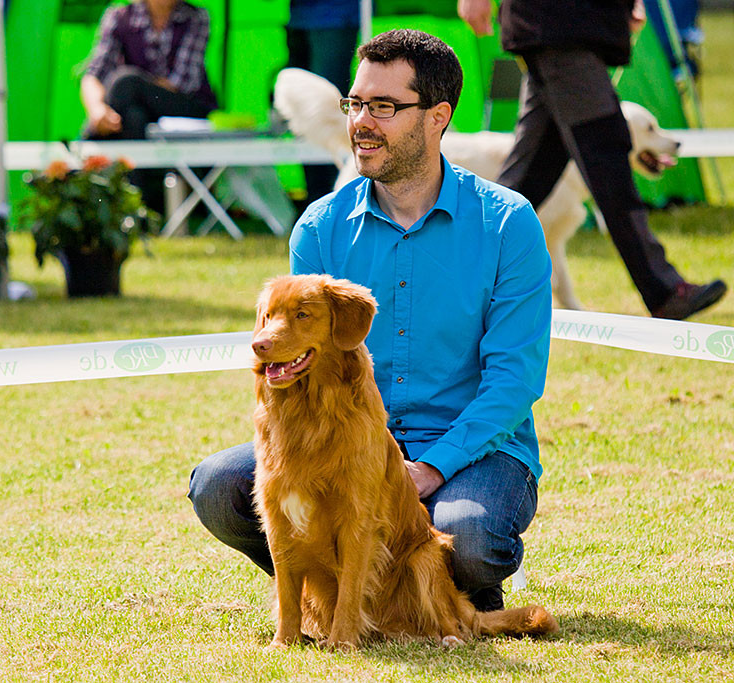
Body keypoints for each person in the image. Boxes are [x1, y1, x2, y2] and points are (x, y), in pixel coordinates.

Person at [189, 29, 552, 612]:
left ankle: (444, 594)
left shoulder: (508, 223)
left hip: (473, 450)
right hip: (344, 444)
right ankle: (335, 591)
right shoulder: (318, 227)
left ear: (438, 117)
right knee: (216, 487)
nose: (361, 121)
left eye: (383, 107)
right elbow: (295, 365)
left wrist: (430, 468)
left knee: (473, 539)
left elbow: (515, 379)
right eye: (356, 103)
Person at [458, 0, 726, 320]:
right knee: (609, 156)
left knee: (525, 181)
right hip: (559, 23)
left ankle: (449, 276)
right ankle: (664, 289)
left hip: (570, 23)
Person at [81, 0, 218, 211]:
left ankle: (84, 152)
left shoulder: (196, 18)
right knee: (134, 115)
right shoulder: (118, 15)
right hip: (135, 118)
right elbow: (93, 74)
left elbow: (181, 83)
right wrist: (98, 111)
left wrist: (134, 86)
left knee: (125, 82)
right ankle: (137, 210)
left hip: (186, 109)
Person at [285, 0, 361, 206]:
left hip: (335, 19)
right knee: (303, 118)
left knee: (330, 117)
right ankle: (315, 199)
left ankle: (333, 200)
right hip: (300, 17)